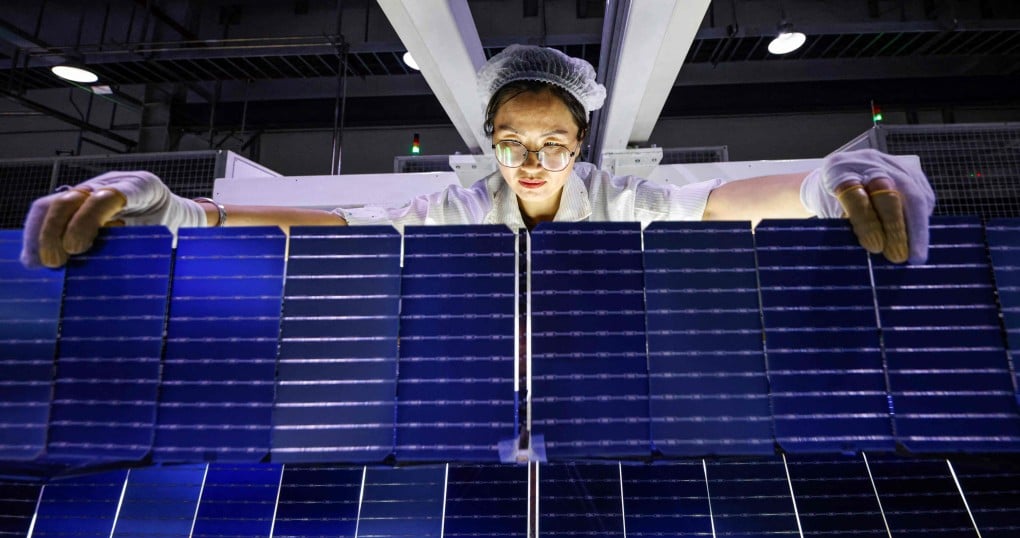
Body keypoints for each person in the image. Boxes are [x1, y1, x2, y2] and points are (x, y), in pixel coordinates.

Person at [20, 44, 935, 269]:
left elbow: (721, 202)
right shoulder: (451, 214)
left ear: (581, 144)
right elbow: (334, 222)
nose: (531, 160)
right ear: (489, 143)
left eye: (552, 144)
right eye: (511, 142)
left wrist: (823, 182)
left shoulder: (624, 201)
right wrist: (186, 212)